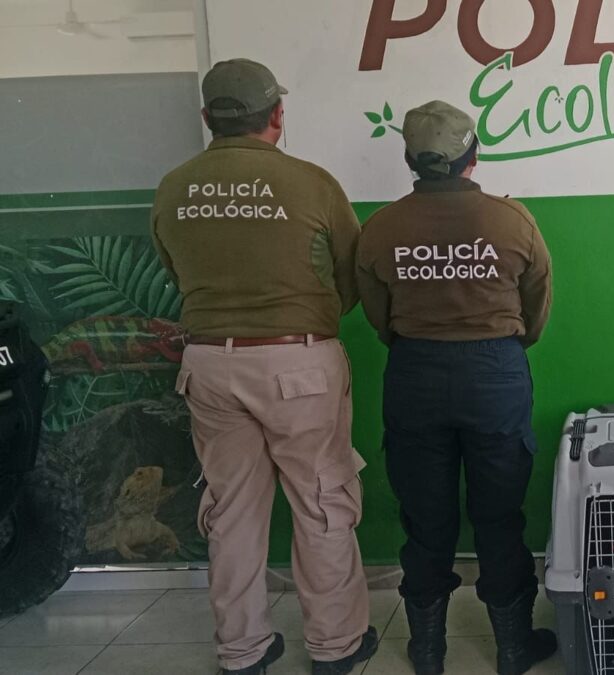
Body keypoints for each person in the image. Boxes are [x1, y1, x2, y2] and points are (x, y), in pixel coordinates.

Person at [151, 59, 376, 675]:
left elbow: (174, 269)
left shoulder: (173, 186)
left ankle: (242, 651)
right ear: (277, 114)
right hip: (298, 361)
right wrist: (311, 320)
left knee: (231, 511)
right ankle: (335, 647)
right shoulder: (311, 183)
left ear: (207, 117)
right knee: (322, 502)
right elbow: (350, 274)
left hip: (208, 364)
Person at [355, 100, 555, 675]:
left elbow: (377, 314)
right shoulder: (512, 220)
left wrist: (415, 341)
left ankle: (427, 651)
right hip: (495, 374)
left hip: (413, 373)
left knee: (425, 517)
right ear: (474, 154)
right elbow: (537, 305)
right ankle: (512, 649)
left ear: (409, 159)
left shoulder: (382, 227)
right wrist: (502, 348)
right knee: (500, 514)